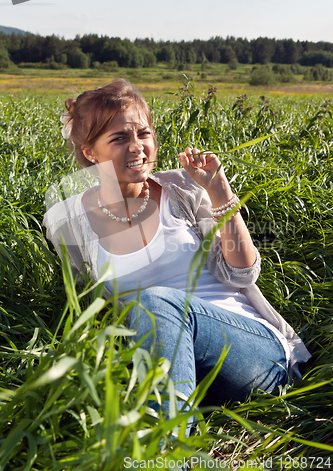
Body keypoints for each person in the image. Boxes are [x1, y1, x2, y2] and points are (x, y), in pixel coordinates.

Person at [43, 79, 310, 415]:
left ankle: (164, 452)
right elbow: (87, 305)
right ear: (90, 152)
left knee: (155, 302)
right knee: (153, 310)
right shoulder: (69, 221)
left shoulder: (181, 189)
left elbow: (241, 273)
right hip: (172, 360)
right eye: (120, 138)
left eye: (143, 133)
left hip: (252, 352)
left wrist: (219, 191)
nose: (138, 147)